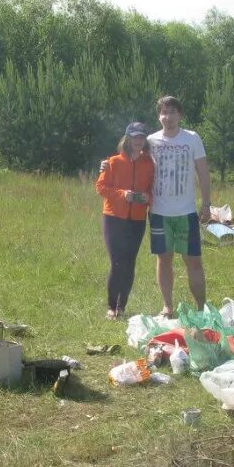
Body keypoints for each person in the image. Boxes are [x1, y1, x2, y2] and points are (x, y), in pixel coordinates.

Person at [148, 96, 212, 317]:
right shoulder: (151, 141)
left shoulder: (192, 139)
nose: (168, 117)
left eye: (173, 112)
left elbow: (203, 173)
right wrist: (107, 165)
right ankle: (167, 306)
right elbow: (130, 160)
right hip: (159, 212)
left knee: (193, 260)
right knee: (164, 259)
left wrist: (206, 204)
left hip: (186, 212)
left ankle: (201, 309)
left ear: (180, 115)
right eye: (164, 112)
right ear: (159, 116)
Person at [96, 122, 155, 319]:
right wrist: (123, 194)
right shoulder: (113, 162)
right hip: (113, 218)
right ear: (127, 139)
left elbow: (154, 189)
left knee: (130, 263)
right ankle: (111, 307)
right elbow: (101, 188)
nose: (138, 141)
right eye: (135, 137)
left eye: (142, 137)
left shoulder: (149, 163)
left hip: (137, 220)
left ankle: (122, 307)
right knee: (117, 262)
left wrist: (148, 197)